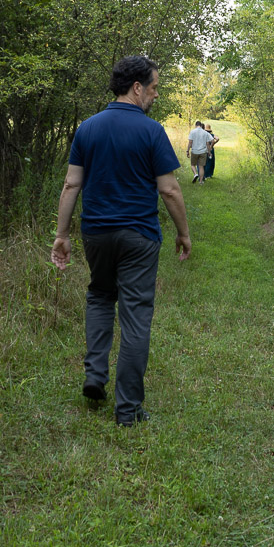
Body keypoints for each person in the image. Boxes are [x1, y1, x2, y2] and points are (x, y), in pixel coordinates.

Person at [50, 55, 190, 426]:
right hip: (139, 237)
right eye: (155, 87)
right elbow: (170, 190)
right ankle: (127, 410)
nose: (156, 95)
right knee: (136, 317)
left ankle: (95, 375)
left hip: (95, 233)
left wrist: (62, 235)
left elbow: (71, 184)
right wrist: (183, 233)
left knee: (99, 294)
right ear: (137, 87)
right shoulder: (150, 131)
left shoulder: (87, 128)